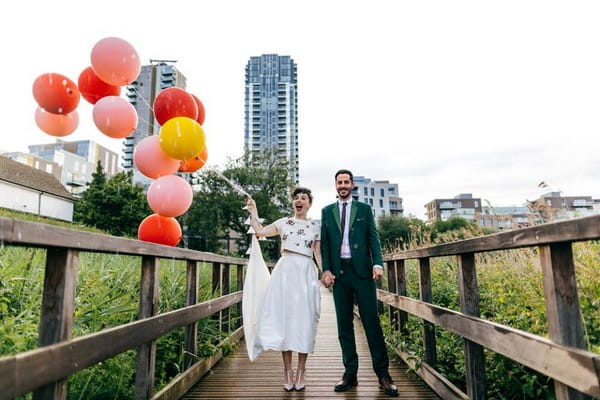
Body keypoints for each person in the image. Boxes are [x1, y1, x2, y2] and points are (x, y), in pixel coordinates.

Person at [320, 169, 399, 397]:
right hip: (339, 274)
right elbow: (324, 244)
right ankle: (350, 373)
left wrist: (378, 263)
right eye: (339, 182)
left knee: (371, 323)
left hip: (363, 273)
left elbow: (373, 238)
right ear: (335, 185)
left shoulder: (364, 209)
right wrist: (325, 269)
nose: (343, 185)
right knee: (344, 325)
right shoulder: (327, 212)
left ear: (352, 184)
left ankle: (383, 375)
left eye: (346, 182)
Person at [245, 187, 322, 391]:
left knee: (305, 321)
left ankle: (301, 371)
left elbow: (318, 254)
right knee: (285, 319)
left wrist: (325, 273)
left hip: (306, 273)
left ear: (309, 203)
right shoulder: (283, 223)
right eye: (296, 198)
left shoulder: (315, 227)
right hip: (285, 271)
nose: (299, 200)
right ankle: (287, 371)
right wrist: (254, 211)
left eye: (303, 198)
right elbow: (260, 232)